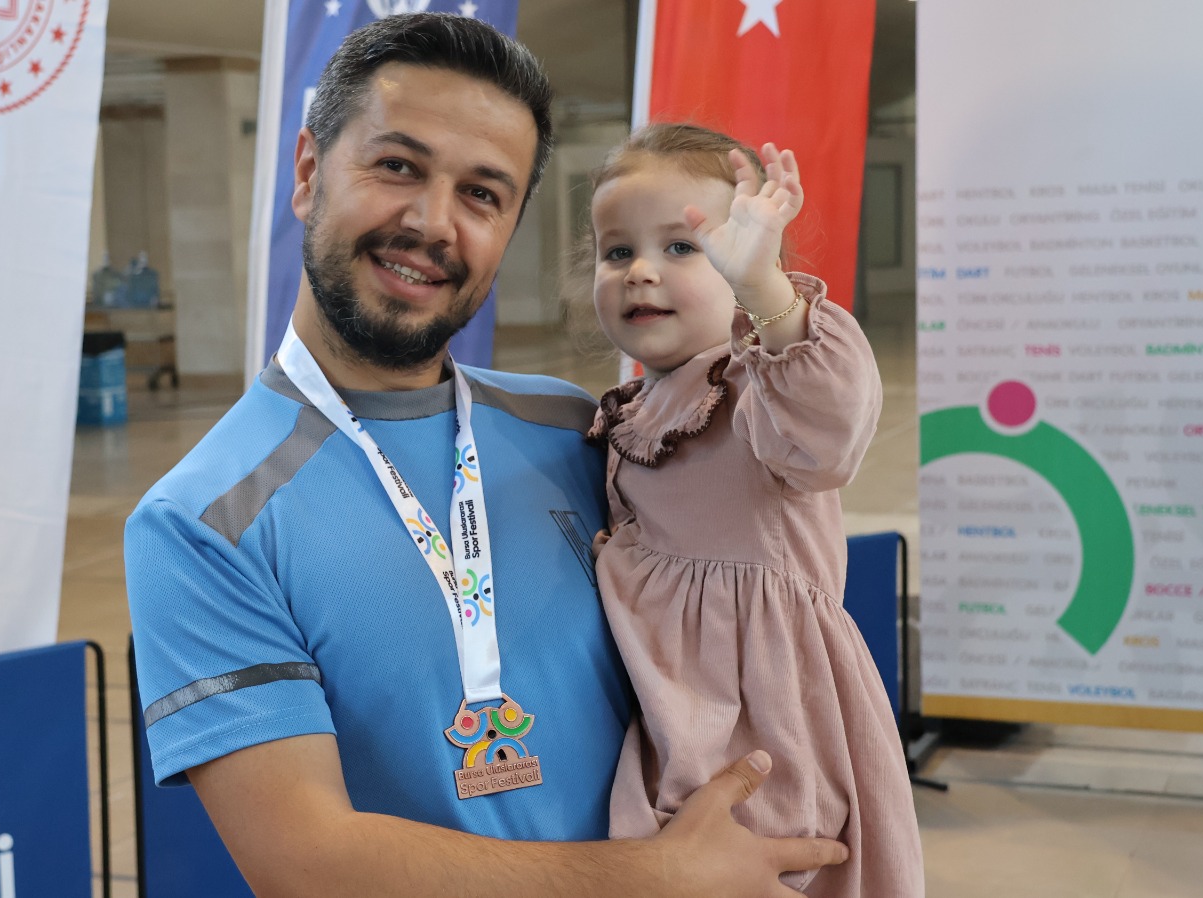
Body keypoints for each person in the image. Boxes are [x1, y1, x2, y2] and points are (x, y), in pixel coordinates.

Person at [127, 14, 847, 897]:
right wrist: (654, 876)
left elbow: (798, 488)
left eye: (481, 194)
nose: (432, 222)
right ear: (309, 172)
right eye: (398, 166)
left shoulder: (579, 431)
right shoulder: (205, 521)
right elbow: (305, 862)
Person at [584, 123, 924, 894]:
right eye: (617, 251)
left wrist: (764, 291)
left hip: (764, 721)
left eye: (683, 247)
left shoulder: (757, 389)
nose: (641, 271)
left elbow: (828, 434)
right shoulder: (633, 409)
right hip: (670, 711)